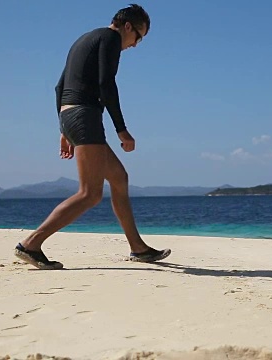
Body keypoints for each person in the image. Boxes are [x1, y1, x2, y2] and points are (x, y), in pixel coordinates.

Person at [14, 4, 171, 270]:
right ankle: (31, 244)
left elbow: (59, 87)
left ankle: (138, 248)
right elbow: (106, 84)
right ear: (128, 27)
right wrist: (121, 128)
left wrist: (63, 129)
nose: (136, 45)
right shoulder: (110, 38)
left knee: (119, 179)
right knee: (90, 193)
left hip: (72, 115)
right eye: (139, 37)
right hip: (84, 116)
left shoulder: (84, 39)